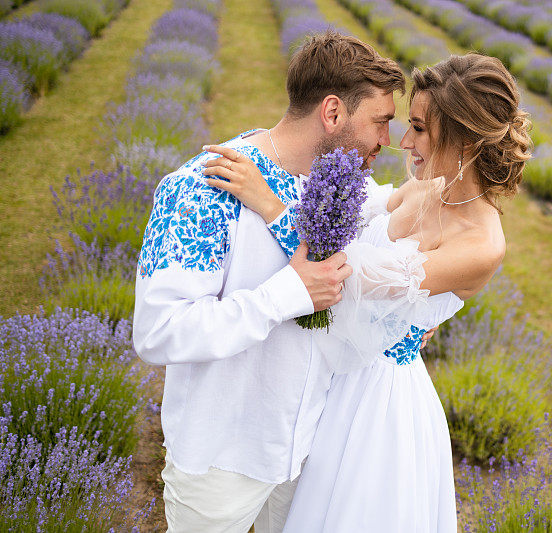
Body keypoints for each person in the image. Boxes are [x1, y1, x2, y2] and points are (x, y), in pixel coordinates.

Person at [204, 53, 532, 532]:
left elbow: (352, 279)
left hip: (375, 408)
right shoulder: (423, 189)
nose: (403, 142)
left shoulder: (483, 244)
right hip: (324, 377)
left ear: (461, 138)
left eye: (418, 128)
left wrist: (269, 203)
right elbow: (346, 224)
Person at [132, 31, 418, 532]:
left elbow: (402, 217)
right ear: (332, 113)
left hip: (311, 451)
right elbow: (159, 331)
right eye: (380, 122)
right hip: (221, 460)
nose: (386, 142)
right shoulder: (203, 187)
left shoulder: (344, 184)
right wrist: (286, 294)